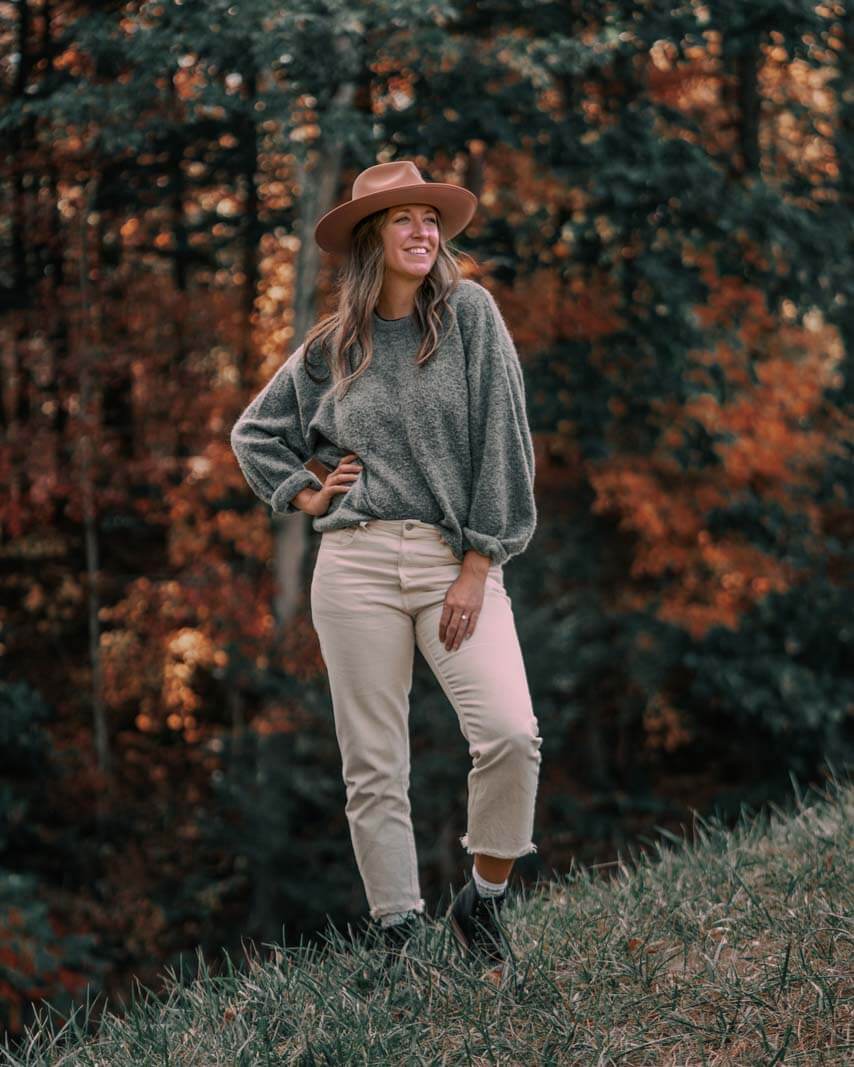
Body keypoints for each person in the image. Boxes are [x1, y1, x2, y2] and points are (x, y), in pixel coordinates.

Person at [230, 160, 543, 977]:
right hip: (355, 564)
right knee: (373, 764)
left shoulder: (471, 315)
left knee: (510, 733)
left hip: (453, 560)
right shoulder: (334, 346)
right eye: (402, 218)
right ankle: (398, 936)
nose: (421, 231)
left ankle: (484, 896)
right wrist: (303, 492)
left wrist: (478, 565)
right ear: (373, 237)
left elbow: (504, 446)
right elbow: (253, 435)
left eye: (430, 219)